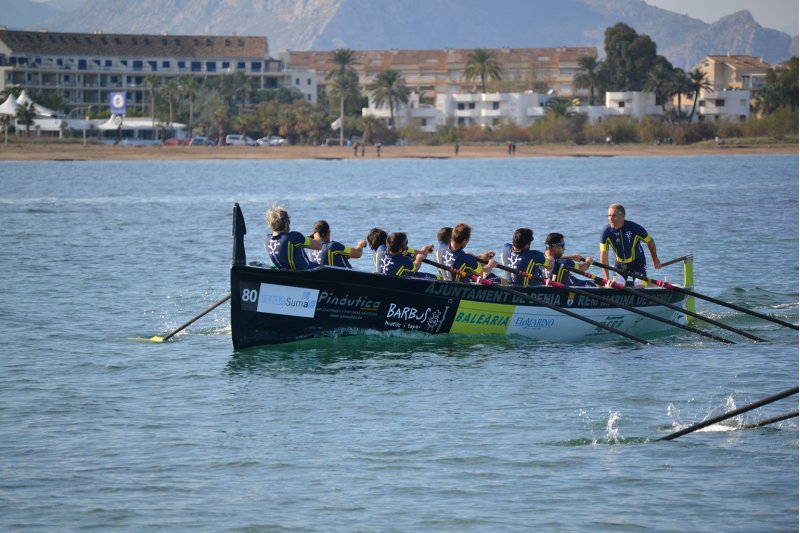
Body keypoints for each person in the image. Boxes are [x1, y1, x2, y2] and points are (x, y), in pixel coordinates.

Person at [600, 203, 661, 285]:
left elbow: (650, 241)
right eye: (609, 215)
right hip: (620, 265)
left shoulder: (635, 228)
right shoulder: (606, 232)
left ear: (622, 216)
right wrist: (606, 279)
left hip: (638, 263)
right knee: (616, 286)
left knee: (639, 286)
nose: (610, 218)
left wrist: (655, 259)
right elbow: (603, 256)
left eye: (614, 216)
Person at [265, 204, 322, 270]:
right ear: (286, 223)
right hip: (307, 272)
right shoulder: (294, 237)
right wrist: (316, 233)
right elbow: (318, 246)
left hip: (286, 272)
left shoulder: (267, 239)